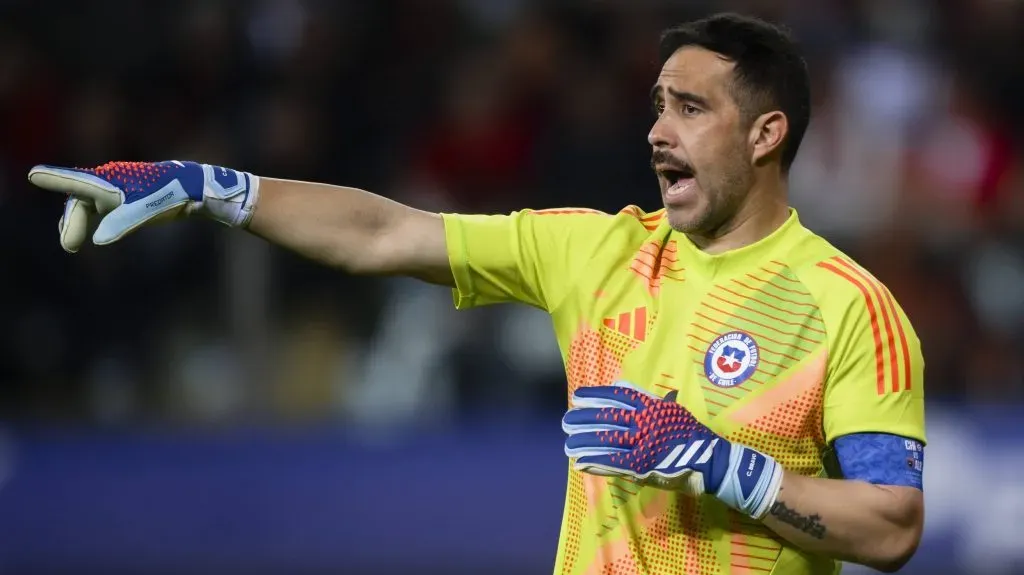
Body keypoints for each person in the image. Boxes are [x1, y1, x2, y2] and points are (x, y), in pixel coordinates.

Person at [29, 12, 925, 575]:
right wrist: (216, 189)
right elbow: (386, 233)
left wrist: (716, 460)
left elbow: (890, 528)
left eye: (691, 109)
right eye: (657, 105)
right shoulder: (595, 248)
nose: (656, 131)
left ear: (768, 132)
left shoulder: (849, 306)